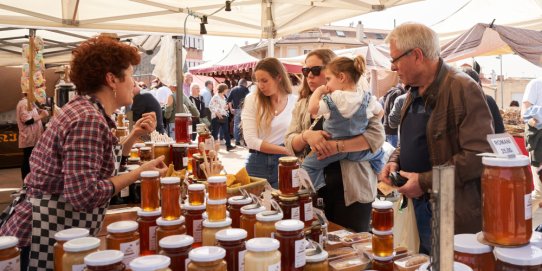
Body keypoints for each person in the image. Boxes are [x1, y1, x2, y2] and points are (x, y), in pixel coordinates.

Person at [0, 35, 168, 270]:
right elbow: (83, 194)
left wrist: (132, 137)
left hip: (49, 230)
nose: (134, 83)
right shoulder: (88, 119)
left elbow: (94, 165)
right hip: (41, 235)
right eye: (130, 75)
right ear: (111, 79)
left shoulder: (86, 110)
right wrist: (139, 172)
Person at [379, 23, 493, 254]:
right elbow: (413, 139)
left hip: (448, 210)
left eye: (395, 60)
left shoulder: (462, 87)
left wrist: (423, 182)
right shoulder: (412, 90)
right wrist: (395, 160)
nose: (393, 68)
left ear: (417, 55)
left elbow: (478, 155)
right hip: (417, 205)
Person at [284, 49, 385, 232]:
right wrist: (307, 136)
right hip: (317, 190)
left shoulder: (357, 97)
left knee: (352, 246)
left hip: (353, 189)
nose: (309, 76)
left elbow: (377, 136)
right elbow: (289, 142)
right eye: (305, 71)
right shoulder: (303, 104)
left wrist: (337, 146)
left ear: (337, 73)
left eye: (315, 70)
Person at [303, 55, 385, 192]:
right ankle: (380, 174)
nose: (327, 84)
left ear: (341, 77)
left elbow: (312, 109)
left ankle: (317, 188)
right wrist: (366, 122)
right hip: (359, 152)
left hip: (331, 150)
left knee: (308, 166)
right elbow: (380, 112)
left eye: (328, 79)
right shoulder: (366, 97)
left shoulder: (334, 98)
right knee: (379, 153)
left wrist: (318, 91)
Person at [242, 58, 296, 188]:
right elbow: (250, 140)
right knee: (254, 206)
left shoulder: (295, 101)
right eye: (257, 81)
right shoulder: (252, 99)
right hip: (257, 162)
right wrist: (285, 150)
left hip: (285, 163)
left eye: (264, 80)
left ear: (278, 77)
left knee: (285, 205)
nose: (260, 85)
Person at [16, 92, 48, 182]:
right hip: (28, 137)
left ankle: (31, 180)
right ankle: (26, 182)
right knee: (27, 158)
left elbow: (33, 114)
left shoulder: (31, 102)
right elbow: (27, 121)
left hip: (34, 137)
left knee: (32, 159)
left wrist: (39, 111)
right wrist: (42, 115)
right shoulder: (24, 103)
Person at [462, 67, 505, 133]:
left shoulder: (456, 102)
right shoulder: (489, 100)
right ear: (478, 83)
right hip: (487, 140)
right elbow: (499, 128)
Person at [522, 76, 542, 212]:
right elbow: (525, 113)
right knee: (540, 191)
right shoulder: (536, 83)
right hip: (539, 143)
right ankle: (517, 217)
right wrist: (535, 119)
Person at [209, 83, 236, 151]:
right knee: (215, 132)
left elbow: (223, 107)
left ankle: (228, 145)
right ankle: (213, 146)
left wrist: (226, 107)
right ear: (223, 89)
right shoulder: (215, 97)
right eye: (226, 89)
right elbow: (210, 106)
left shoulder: (224, 97)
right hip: (216, 117)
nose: (227, 90)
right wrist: (217, 113)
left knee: (226, 131)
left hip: (224, 116)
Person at [227, 78, 250, 146]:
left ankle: (237, 141)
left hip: (236, 109)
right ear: (245, 83)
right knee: (245, 125)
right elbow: (249, 99)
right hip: (244, 109)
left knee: (236, 125)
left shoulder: (233, 89)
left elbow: (229, 100)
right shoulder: (246, 89)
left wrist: (231, 109)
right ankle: (245, 141)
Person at [382, 83, 406, 147]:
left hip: (388, 128)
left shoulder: (393, 91)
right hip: (393, 130)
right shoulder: (398, 93)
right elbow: (392, 112)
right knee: (393, 152)